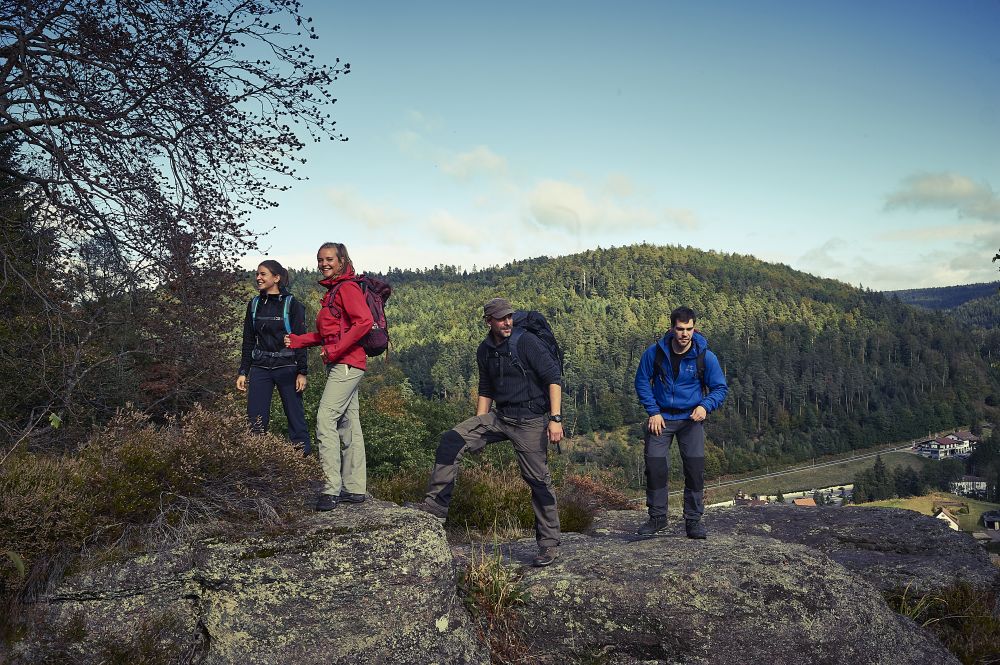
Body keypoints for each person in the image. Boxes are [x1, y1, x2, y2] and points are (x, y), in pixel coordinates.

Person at [407, 297, 564, 567]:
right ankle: (436, 507)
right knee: (451, 441)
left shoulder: (527, 342)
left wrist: (556, 419)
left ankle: (548, 544)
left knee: (537, 480)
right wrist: (480, 427)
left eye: (509, 317)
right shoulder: (485, 350)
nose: (507, 322)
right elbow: (486, 389)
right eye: (501, 318)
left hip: (530, 420)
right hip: (501, 417)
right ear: (488, 321)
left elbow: (553, 378)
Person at [285, 242, 373, 512]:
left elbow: (364, 322)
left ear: (342, 260)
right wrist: (299, 341)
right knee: (349, 424)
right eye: (320, 259)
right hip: (345, 364)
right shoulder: (335, 291)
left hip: (347, 364)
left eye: (329, 259)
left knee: (325, 419)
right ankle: (355, 489)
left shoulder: (346, 288)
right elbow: (327, 334)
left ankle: (330, 488)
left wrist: (334, 350)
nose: (324, 263)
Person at [633, 306, 728, 539]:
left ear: (694, 328)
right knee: (655, 468)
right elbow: (642, 381)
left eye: (689, 329)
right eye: (680, 329)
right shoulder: (654, 353)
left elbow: (720, 388)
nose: (685, 334)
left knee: (694, 470)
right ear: (671, 328)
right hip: (661, 419)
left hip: (691, 419)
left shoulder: (705, 355)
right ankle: (657, 518)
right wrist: (653, 411)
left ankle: (693, 521)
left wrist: (705, 406)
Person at [237, 260, 310, 454]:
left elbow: (300, 340)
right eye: (257, 274)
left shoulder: (293, 305)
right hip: (260, 368)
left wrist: (302, 372)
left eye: (263, 274)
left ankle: (302, 461)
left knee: (295, 418)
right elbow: (248, 340)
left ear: (276, 278)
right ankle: (256, 461)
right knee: (255, 420)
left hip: (287, 367)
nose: (258, 278)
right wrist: (243, 371)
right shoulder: (254, 304)